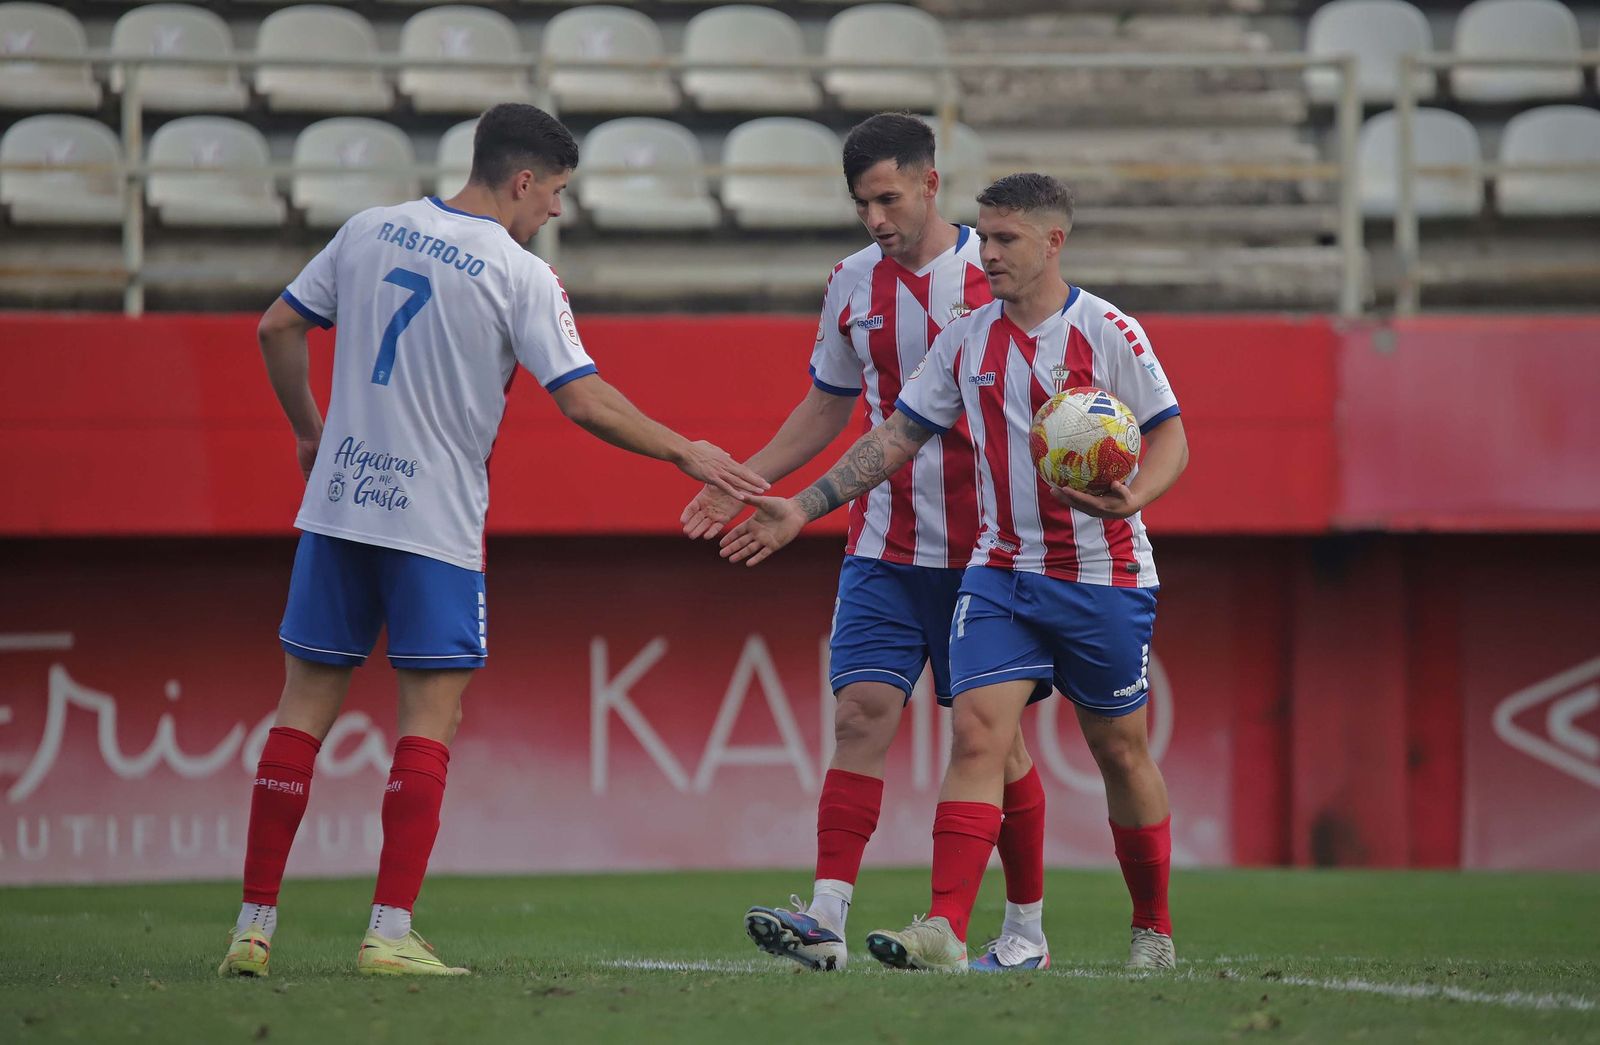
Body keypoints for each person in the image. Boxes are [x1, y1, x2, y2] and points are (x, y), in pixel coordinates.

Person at [218, 103, 767, 979]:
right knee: (430, 719)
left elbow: (275, 327)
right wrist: (685, 449)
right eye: (554, 193)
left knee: (302, 710)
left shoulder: (369, 229)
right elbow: (583, 399)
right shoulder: (519, 273)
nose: (554, 211)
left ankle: (252, 928)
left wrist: (309, 431)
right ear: (522, 181)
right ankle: (389, 930)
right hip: (432, 523)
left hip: (341, 504)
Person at [721, 172, 1188, 973]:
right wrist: (806, 504)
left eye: (1006, 239)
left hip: (1103, 574)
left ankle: (1153, 927)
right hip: (1000, 571)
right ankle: (943, 924)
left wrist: (1133, 498)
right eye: (986, 235)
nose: (990, 252)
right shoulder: (968, 337)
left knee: (1120, 750)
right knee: (976, 734)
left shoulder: (1109, 330)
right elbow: (897, 435)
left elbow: (1170, 434)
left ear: (1054, 242)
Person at [682, 113, 1050, 974]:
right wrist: (742, 477)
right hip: (883, 544)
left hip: (988, 554)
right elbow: (826, 405)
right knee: (859, 716)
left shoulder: (992, 269)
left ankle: (1024, 930)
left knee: (999, 745)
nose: (876, 219)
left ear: (930, 183)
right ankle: (826, 919)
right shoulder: (850, 282)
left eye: (888, 198)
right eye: (861, 204)